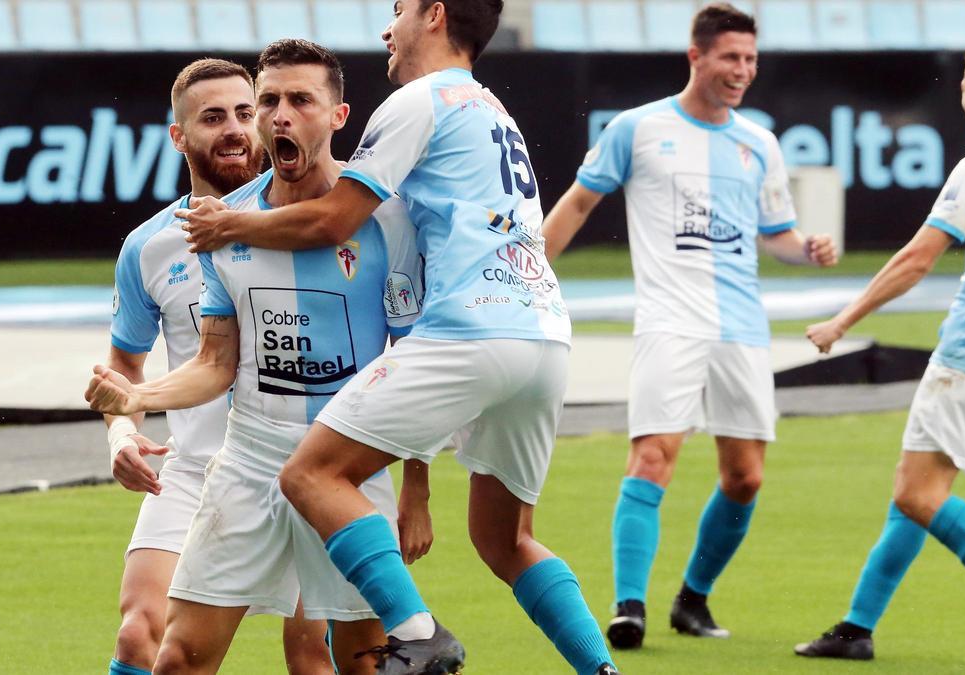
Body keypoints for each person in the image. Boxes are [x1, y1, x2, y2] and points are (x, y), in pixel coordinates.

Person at [175, 2, 619, 673]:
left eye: (400, 9)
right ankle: (602, 669)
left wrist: (226, 227)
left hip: (469, 329)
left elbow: (332, 220)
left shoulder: (419, 99)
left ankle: (417, 630)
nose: (389, 28)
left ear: (435, 14)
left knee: (308, 471)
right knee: (507, 540)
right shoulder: (495, 111)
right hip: (544, 335)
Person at [88, 40, 432, 675]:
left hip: (342, 468)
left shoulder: (390, 223)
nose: (272, 116)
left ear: (337, 115)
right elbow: (216, 363)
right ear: (178, 134)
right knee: (171, 653)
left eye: (294, 100)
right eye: (268, 100)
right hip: (233, 464)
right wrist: (131, 408)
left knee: (345, 661)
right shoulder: (216, 230)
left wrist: (418, 484)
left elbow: (411, 359)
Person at [540, 2, 837, 651]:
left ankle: (692, 599)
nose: (743, 70)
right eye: (731, 57)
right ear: (696, 56)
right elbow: (579, 202)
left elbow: (776, 236)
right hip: (670, 320)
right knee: (652, 458)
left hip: (741, 327)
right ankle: (629, 606)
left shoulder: (759, 143)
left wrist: (805, 247)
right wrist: (527, 278)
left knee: (746, 476)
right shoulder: (637, 128)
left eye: (751, 59)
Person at [794, 41, 965, 670]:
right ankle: (856, 629)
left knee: (920, 496)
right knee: (916, 491)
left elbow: (917, 259)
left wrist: (842, 321)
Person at [102, 58, 271, 675]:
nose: (234, 129)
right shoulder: (149, 246)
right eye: (213, 117)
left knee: (318, 655)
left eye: (245, 113)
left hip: (299, 468)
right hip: (194, 468)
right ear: (179, 136)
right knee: (138, 637)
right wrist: (124, 431)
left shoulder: (306, 221)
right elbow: (125, 358)